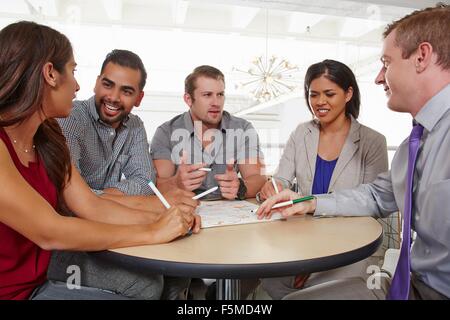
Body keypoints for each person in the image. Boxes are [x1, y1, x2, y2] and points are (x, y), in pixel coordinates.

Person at [258, 3, 450, 300]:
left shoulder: (389, 139)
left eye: (386, 63)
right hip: (412, 285)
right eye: (313, 94)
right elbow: (375, 195)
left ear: (421, 57)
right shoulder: (415, 143)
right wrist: (307, 202)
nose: (378, 77)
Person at [0, 21, 200, 300]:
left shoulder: (48, 138)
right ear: (49, 74)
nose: (78, 84)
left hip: (36, 282)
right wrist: (153, 230)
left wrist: (168, 218)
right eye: (72, 70)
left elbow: (92, 205)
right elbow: (51, 231)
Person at [50, 49, 197, 300]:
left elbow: (144, 182)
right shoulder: (70, 118)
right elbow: (70, 202)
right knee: (147, 283)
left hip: (108, 224)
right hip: (67, 240)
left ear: (139, 98)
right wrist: (92, 199)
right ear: (97, 83)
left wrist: (99, 196)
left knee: (179, 270)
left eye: (126, 91)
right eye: (108, 85)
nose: (114, 97)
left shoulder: (135, 127)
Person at [257, 59, 388, 299]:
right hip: (302, 237)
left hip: (350, 243)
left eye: (329, 94)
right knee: (273, 281)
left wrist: (314, 259)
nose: (319, 102)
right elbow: (283, 179)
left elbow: (375, 206)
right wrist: (274, 186)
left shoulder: (373, 141)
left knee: (315, 292)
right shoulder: (301, 133)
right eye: (313, 94)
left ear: (348, 94)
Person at [151, 65, 266, 201]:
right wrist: (176, 183)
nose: (216, 102)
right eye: (207, 95)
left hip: (230, 213)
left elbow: (258, 178)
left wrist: (240, 187)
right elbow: (156, 185)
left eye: (220, 95)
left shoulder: (243, 129)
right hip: (185, 212)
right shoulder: (166, 132)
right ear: (188, 99)